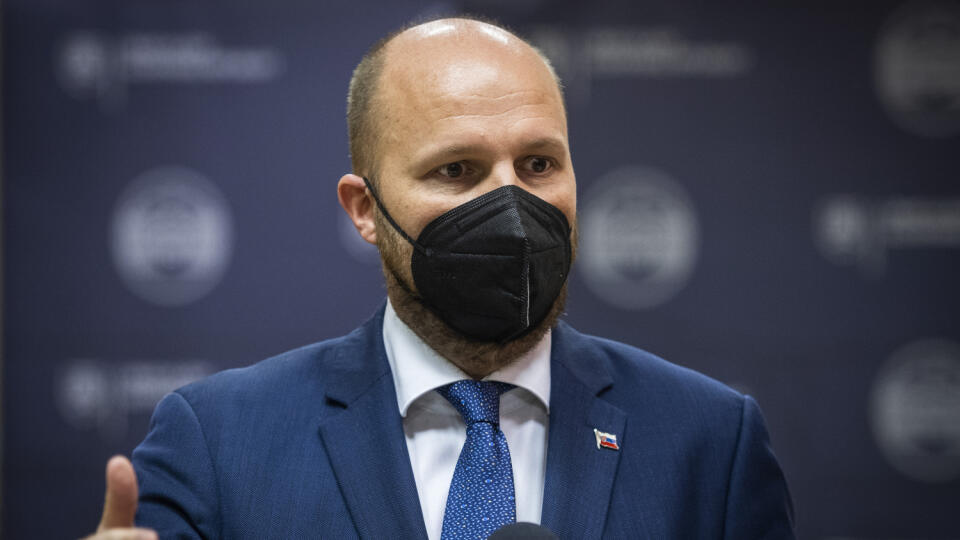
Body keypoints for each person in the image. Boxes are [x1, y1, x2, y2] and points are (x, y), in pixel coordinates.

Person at [86, 16, 795, 540]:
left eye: (540, 165)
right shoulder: (219, 441)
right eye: (457, 171)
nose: (513, 209)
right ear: (366, 210)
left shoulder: (710, 442)